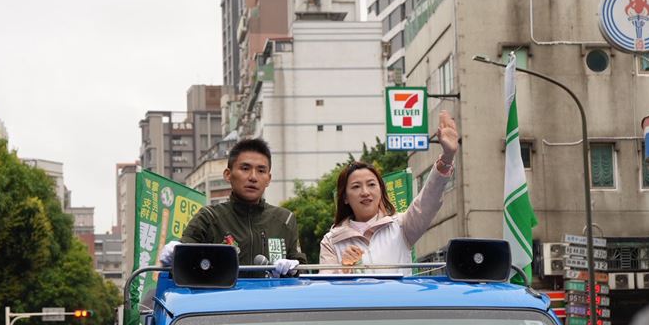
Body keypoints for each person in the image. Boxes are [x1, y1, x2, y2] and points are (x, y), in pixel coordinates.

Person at [319, 110, 459, 273]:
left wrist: (447, 157)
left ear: (381, 190)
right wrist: (343, 269)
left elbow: (428, 201)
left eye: (371, 184)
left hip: (398, 299)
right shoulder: (331, 240)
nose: (365, 192)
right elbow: (327, 289)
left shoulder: (401, 226)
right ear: (344, 198)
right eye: (356, 187)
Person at [159, 138, 305, 276]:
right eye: (245, 168)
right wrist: (173, 254)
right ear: (228, 174)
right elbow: (182, 258)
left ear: (268, 179)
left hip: (273, 301)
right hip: (220, 300)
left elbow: (303, 272)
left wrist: (293, 269)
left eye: (261, 171)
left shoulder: (285, 219)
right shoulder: (209, 217)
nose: (253, 177)